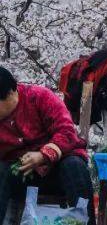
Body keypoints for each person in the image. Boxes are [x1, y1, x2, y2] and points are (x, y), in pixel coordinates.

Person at [0, 67, 92, 225]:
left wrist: (44, 155)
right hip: (20, 174)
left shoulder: (39, 97)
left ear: (10, 93)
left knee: (74, 166)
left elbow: (66, 131)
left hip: (59, 168)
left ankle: (86, 221)